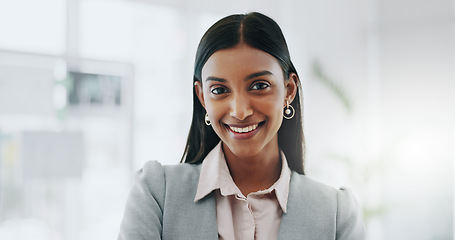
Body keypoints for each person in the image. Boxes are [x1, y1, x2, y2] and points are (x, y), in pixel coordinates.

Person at [118, 12, 366, 240]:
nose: (240, 111)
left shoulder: (336, 213)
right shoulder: (157, 194)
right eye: (219, 90)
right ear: (202, 97)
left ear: (289, 90)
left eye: (259, 86)